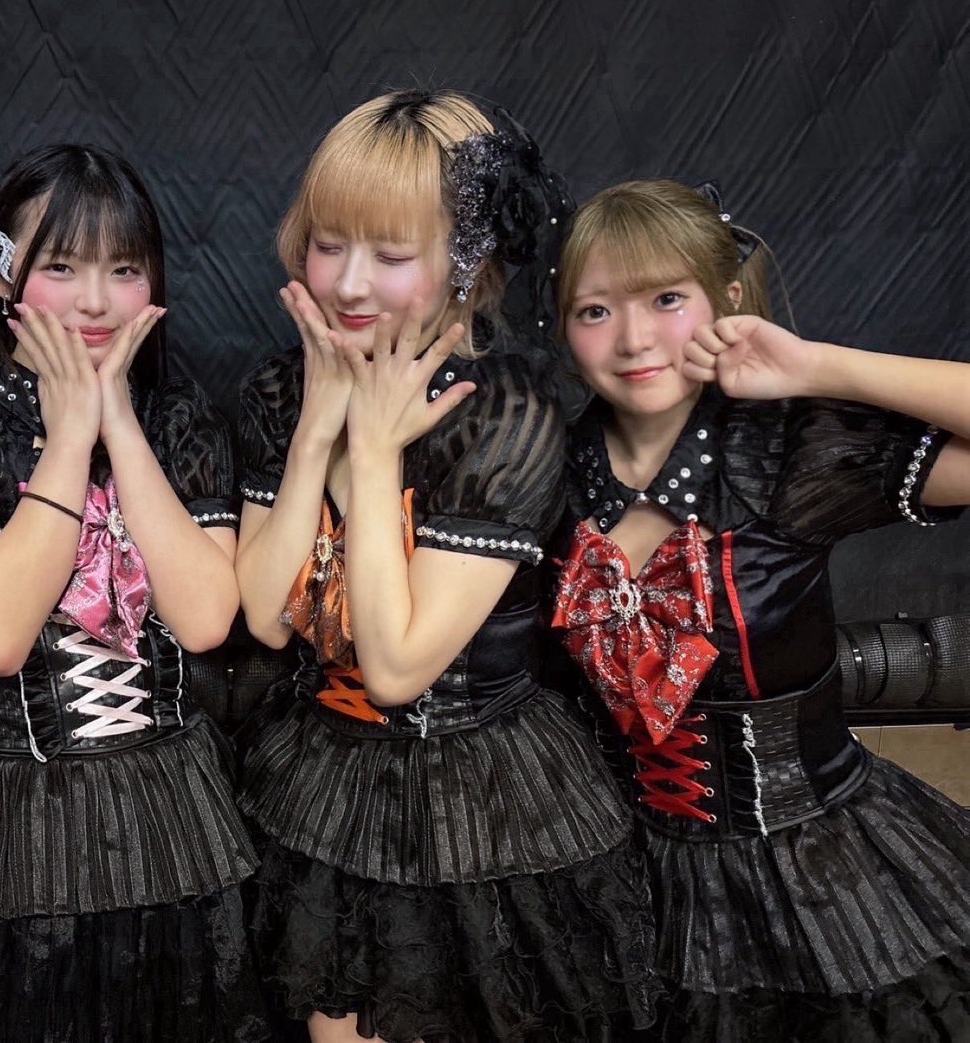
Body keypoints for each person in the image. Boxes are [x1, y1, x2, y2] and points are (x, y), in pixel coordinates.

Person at [235, 89, 658, 1042]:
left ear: (468, 268)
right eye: (328, 245)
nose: (347, 285)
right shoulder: (283, 386)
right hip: (322, 778)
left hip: (481, 789)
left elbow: (394, 670)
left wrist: (373, 452)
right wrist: (315, 431)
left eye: (390, 256)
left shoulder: (504, 412)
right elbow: (263, 616)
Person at [551, 178, 970, 1039]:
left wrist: (818, 366)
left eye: (666, 299)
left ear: (727, 299)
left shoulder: (788, 452)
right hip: (626, 880)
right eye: (594, 310)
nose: (633, 339)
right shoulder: (544, 474)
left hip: (821, 867)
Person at [0, 144, 266, 1042]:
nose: (97, 301)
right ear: (0, 273)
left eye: (123, 270)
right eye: (61, 267)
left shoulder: (177, 418)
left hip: (171, 810)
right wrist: (65, 440)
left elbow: (204, 620)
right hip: (3, 820)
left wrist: (118, 421)